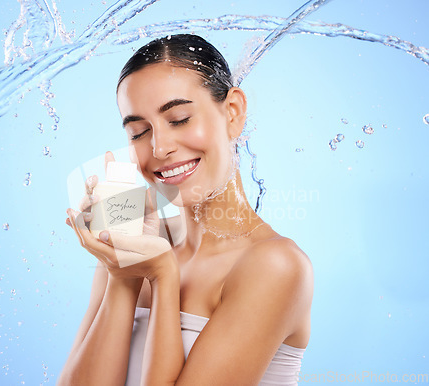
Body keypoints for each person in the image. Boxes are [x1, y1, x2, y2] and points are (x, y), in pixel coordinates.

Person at [58, 34, 313, 386]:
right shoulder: (132, 239)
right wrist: (122, 275)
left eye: (178, 119)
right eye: (138, 132)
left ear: (233, 113)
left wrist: (164, 275)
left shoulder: (275, 266)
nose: (160, 147)